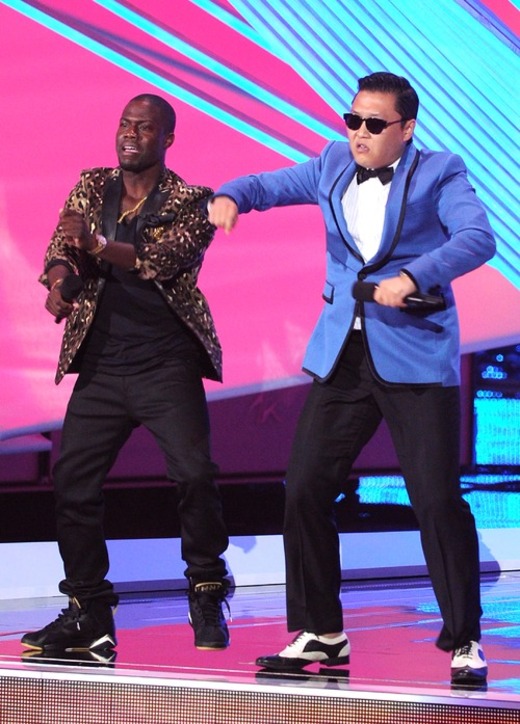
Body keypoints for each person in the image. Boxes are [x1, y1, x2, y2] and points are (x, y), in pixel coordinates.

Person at [208, 72, 495, 684]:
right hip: (343, 353)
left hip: (415, 357)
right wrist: (230, 195)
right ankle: (321, 631)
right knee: (305, 488)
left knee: (436, 500)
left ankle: (465, 639)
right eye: (352, 120)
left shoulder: (440, 172)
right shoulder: (333, 163)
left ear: (406, 129)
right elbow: (263, 185)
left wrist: (413, 276)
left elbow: (477, 238)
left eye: (374, 124)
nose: (359, 133)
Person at [22, 94, 230, 654]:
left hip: (166, 363)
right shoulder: (92, 185)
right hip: (103, 364)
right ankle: (89, 612)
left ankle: (207, 588)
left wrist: (93, 243)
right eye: (125, 124)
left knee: (194, 475)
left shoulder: (192, 201)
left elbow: (157, 261)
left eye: (144, 127)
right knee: (72, 482)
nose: (130, 134)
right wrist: (61, 281)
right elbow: (61, 248)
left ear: (168, 139)